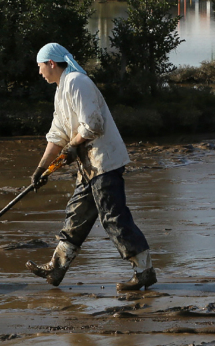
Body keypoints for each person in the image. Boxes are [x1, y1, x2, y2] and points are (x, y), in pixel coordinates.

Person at [25, 42, 156, 292]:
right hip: (89, 167)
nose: (39, 72)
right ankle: (56, 267)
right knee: (76, 215)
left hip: (104, 162)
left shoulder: (77, 82)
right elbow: (58, 135)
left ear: (51, 63)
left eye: (40, 66)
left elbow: (94, 124)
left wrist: (73, 145)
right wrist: (41, 169)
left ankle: (144, 271)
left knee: (114, 218)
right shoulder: (61, 90)